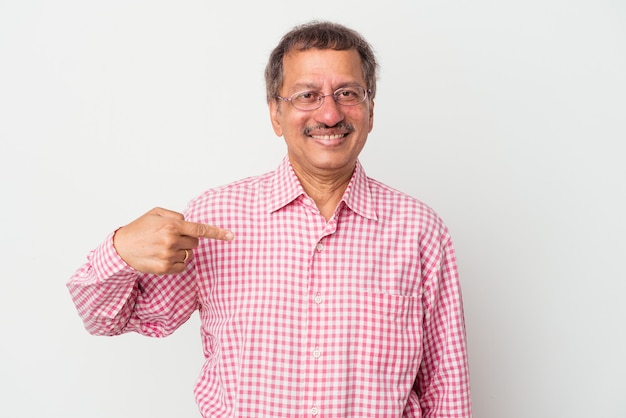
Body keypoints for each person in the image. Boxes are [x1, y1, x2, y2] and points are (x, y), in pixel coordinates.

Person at [67, 21, 472, 417]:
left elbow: (446, 388)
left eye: (348, 93)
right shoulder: (215, 218)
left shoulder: (419, 230)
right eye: (307, 95)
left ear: (370, 107)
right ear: (275, 114)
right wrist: (120, 249)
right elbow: (108, 319)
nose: (330, 114)